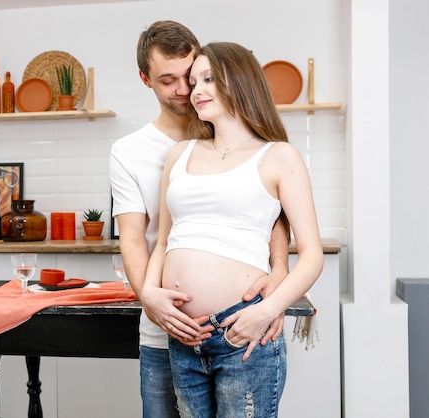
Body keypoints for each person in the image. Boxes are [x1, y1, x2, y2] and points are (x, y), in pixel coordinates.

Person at [109, 21, 290, 418]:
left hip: (238, 322)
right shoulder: (129, 151)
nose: (184, 91)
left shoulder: (235, 136)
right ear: (145, 80)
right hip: (165, 333)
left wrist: (278, 280)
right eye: (167, 80)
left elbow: (270, 212)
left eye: (189, 76)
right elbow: (136, 240)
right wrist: (150, 299)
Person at [141, 41, 324, 418]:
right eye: (194, 82)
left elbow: (311, 255)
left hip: (243, 331)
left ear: (240, 81)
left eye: (209, 79)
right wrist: (149, 294)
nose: (197, 91)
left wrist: (268, 309)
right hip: (183, 335)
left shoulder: (278, 155)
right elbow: (164, 242)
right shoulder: (180, 153)